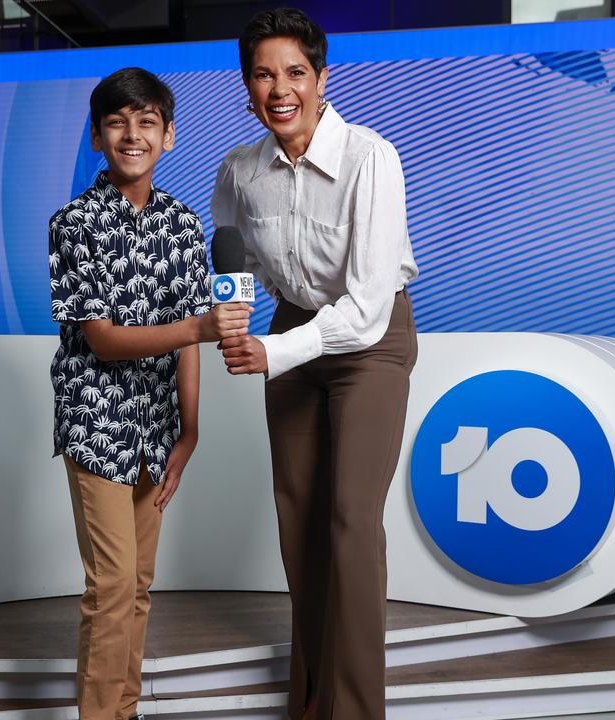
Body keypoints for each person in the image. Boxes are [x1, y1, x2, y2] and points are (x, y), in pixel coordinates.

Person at [210, 9, 420, 720]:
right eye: (264, 74)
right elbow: (230, 254)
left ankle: (355, 711)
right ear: (247, 87)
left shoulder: (371, 157)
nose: (280, 88)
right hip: (291, 332)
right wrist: (235, 314)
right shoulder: (240, 170)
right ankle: (310, 702)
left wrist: (273, 350)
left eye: (295, 72)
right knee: (299, 526)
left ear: (322, 79)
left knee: (350, 520)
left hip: (372, 342)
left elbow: (364, 308)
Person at [49, 67, 252, 720]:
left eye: (146, 122)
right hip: (95, 424)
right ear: (96, 136)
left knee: (137, 587)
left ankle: (123, 710)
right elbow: (103, 339)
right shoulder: (74, 224)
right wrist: (196, 325)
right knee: (109, 585)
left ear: (168, 136)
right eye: (116, 122)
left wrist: (190, 433)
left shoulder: (186, 227)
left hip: (158, 428)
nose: (131, 134)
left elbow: (190, 344)